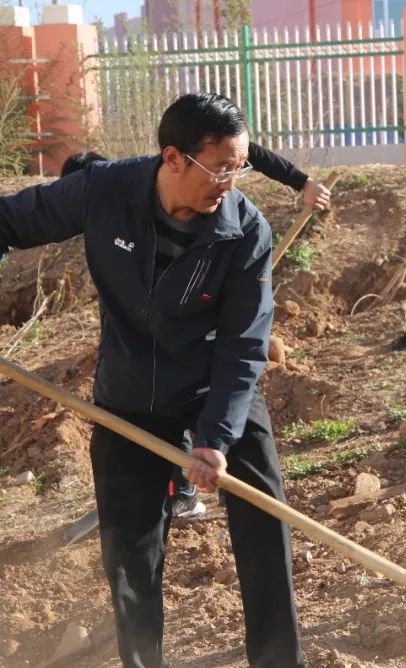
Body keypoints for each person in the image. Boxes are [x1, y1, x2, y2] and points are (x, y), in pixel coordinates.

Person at [0, 93, 343, 668]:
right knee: (131, 549)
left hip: (217, 387)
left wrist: (215, 436)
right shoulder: (105, 192)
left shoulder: (246, 230)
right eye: (222, 168)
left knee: (265, 521)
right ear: (173, 158)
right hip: (131, 392)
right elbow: (10, 222)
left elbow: (244, 346)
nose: (231, 182)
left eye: (241, 167)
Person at [60, 144, 332, 521]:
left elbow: (245, 147)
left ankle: (183, 490)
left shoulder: (178, 173)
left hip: (198, 328)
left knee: (181, 383)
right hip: (142, 345)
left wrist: (301, 181)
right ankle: (165, 488)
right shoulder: (115, 212)